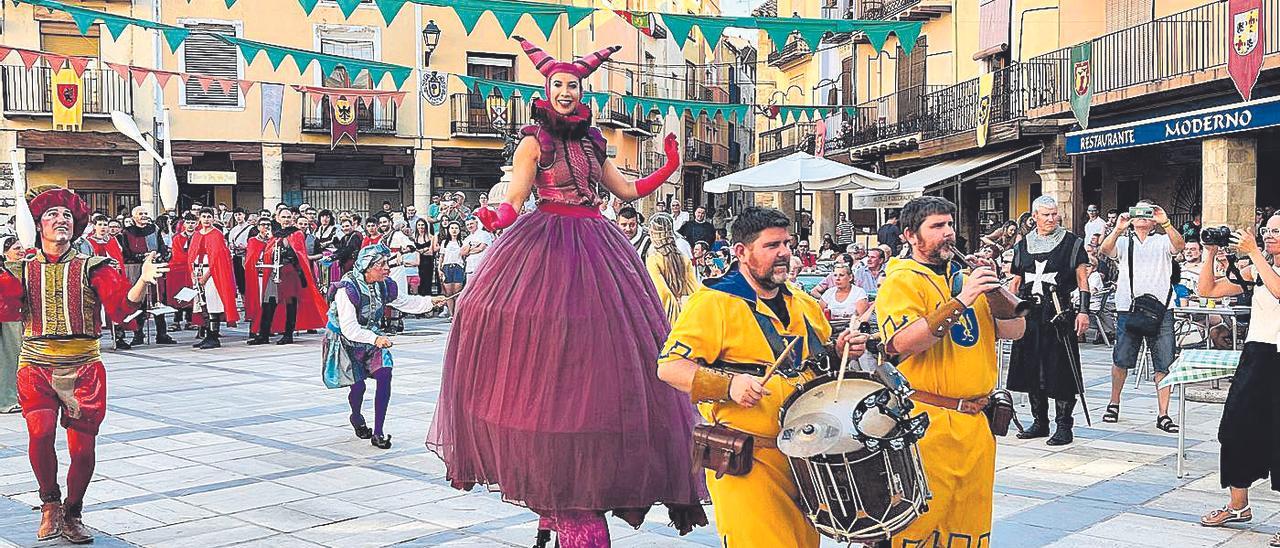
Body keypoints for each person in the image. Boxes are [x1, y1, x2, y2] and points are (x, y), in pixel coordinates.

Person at [428, 37, 706, 547]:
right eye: (556, 83)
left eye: (572, 84)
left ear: (581, 91)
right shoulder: (534, 143)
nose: (564, 90)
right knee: (523, 326)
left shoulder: (594, 142)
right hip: (546, 239)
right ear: (546, 88)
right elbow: (515, 197)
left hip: (597, 240)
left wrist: (668, 166)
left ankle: (566, 491)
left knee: (607, 339)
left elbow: (625, 191)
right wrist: (494, 218)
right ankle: (553, 495)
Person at [655, 206, 867, 548]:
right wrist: (729, 384)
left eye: (786, 243)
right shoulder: (713, 303)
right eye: (772, 246)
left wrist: (840, 350)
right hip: (748, 460)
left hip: (805, 459)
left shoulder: (802, 302)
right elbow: (669, 367)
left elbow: (818, 358)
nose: (784, 252)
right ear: (741, 252)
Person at [0, 187, 166, 544]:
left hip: (83, 368)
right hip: (36, 365)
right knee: (40, 433)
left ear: (75, 225)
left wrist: (142, 281)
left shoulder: (95, 266)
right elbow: (6, 304)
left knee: (81, 448)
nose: (61, 220)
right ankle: (49, 504)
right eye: (51, 215)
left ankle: (73, 511)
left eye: (66, 216)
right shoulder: (20, 267)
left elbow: (122, 311)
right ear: (38, 225)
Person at [875, 196, 1026, 546]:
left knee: (968, 527)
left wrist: (993, 290)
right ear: (911, 236)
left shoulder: (964, 278)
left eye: (950, 225)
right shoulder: (901, 281)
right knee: (918, 529)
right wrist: (962, 300)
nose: (948, 234)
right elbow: (902, 343)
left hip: (976, 423)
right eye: (937, 227)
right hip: (928, 423)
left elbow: (1015, 332)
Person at [1194, 221, 1280, 546]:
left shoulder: (1259, 263)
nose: (1268, 235)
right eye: (1266, 231)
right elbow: (1208, 291)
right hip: (1257, 355)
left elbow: (1279, 290)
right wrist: (1210, 252)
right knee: (1234, 429)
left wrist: (1254, 253)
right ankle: (1238, 505)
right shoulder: (1256, 268)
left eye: (1276, 231)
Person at [326, 245, 449, 449]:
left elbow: (403, 302)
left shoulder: (383, 285)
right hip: (347, 341)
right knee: (358, 387)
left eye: (386, 263)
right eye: (381, 264)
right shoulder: (346, 289)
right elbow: (349, 328)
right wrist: (375, 339)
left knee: (385, 374)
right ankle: (356, 417)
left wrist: (430, 302)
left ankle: (378, 432)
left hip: (373, 338)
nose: (387, 268)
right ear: (367, 267)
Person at [1007, 196, 1091, 446]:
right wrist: (1008, 309)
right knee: (1033, 368)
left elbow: (1082, 279)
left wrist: (1084, 312)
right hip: (1030, 314)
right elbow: (1016, 281)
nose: (1052, 219)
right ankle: (1039, 422)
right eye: (1046, 215)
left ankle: (1064, 426)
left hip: (1059, 314)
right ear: (1034, 217)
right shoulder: (1023, 246)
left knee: (1061, 369)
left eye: (1054, 214)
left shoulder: (1072, 243)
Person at [1098, 199, 1185, 432]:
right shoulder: (1125, 242)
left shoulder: (1162, 240)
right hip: (1129, 307)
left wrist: (1165, 221)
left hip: (1161, 309)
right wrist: (1119, 227)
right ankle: (1114, 402)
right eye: (1138, 212)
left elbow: (1180, 245)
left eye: (1148, 212)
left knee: (1163, 362)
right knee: (1121, 359)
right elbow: (1105, 251)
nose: (1143, 217)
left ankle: (1163, 413)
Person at [245, 208, 328, 345]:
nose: (286, 219)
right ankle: (264, 334)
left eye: (288, 217)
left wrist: (285, 251)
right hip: (274, 271)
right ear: (278, 218)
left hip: (290, 271)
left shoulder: (296, 234)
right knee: (268, 303)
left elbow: (299, 253)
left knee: (290, 303)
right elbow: (268, 252)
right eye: (283, 217)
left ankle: (288, 334)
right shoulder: (275, 235)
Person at [118, 206, 175, 345]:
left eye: (145, 213)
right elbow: (126, 252)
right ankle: (138, 334)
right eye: (140, 213)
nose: (144, 216)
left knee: (158, 299)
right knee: (139, 301)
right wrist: (140, 257)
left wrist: (159, 255)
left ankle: (162, 334)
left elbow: (161, 246)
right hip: (137, 269)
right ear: (133, 217)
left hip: (154, 266)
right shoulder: (127, 232)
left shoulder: (154, 230)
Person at [187, 208, 240, 349]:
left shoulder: (216, 235)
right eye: (203, 216)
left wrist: (205, 277)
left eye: (209, 216)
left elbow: (217, 258)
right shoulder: (197, 235)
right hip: (198, 271)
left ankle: (214, 336)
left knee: (212, 304)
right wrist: (193, 274)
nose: (206, 219)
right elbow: (191, 255)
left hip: (212, 274)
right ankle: (207, 335)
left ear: (213, 219)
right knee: (202, 305)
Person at [83, 215, 133, 349]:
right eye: (100, 224)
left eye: (105, 225)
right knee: (95, 310)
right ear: (94, 226)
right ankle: (94, 338)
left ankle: (119, 337)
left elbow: (118, 258)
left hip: (114, 279)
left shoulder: (113, 241)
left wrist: (117, 269)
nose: (103, 227)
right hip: (97, 281)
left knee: (118, 307)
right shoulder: (88, 242)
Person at [644, 213, 697, 324]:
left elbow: (662, 293)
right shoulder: (683, 257)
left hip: (665, 318)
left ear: (653, 234)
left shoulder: (653, 260)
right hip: (686, 315)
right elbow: (693, 289)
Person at [1, 235, 24, 414]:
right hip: (7, 320)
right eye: (16, 248)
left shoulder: (23, 268)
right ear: (5, 252)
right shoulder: (4, 272)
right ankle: (6, 400)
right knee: (8, 361)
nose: (21, 251)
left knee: (18, 360)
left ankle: (16, 396)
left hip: (18, 319)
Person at [166, 213, 198, 331]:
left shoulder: (199, 236)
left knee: (191, 294)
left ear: (196, 224)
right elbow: (177, 255)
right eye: (188, 223)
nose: (190, 225)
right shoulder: (177, 238)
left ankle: (190, 320)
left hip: (192, 269)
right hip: (178, 269)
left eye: (193, 223)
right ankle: (176, 320)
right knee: (177, 295)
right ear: (184, 224)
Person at [437, 221, 465, 318]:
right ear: (448, 230)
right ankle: (451, 314)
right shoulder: (445, 242)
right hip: (447, 268)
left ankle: (458, 313)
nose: (454, 230)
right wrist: (439, 269)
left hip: (458, 267)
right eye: (452, 228)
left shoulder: (462, 242)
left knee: (457, 292)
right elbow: (441, 257)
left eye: (456, 228)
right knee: (448, 293)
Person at [226, 209, 253, 295]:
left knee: (249, 281)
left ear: (244, 215)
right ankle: (244, 302)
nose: (238, 217)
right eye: (236, 215)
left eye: (240, 214)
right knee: (240, 281)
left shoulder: (251, 229)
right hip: (237, 257)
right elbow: (230, 243)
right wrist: (232, 246)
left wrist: (246, 247)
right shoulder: (233, 230)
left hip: (248, 256)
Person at [461, 216, 493, 280]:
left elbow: (480, 249)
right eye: (467, 225)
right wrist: (472, 246)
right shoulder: (467, 238)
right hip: (470, 267)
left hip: (482, 266)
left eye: (471, 224)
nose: (470, 226)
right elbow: (462, 253)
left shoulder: (484, 234)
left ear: (476, 223)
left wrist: (468, 250)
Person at [411, 219, 437, 297]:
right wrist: (424, 250)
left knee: (427, 282)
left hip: (428, 262)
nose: (421, 227)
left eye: (422, 225)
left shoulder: (431, 237)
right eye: (419, 225)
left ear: (425, 226)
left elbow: (430, 252)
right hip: (417, 262)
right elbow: (413, 250)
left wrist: (419, 250)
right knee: (419, 282)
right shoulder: (414, 237)